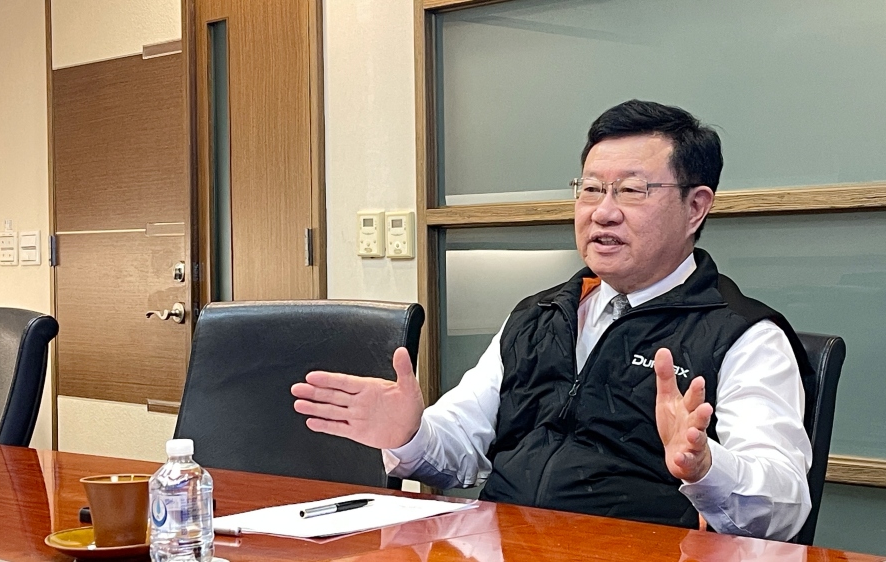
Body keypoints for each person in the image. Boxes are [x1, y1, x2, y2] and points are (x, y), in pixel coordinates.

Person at [292, 100, 813, 541]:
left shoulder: (744, 336)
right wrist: (409, 433)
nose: (603, 212)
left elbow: (784, 505)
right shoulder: (538, 315)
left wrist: (705, 467)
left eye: (632, 191)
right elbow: (459, 445)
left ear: (695, 207)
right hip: (506, 547)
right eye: (591, 189)